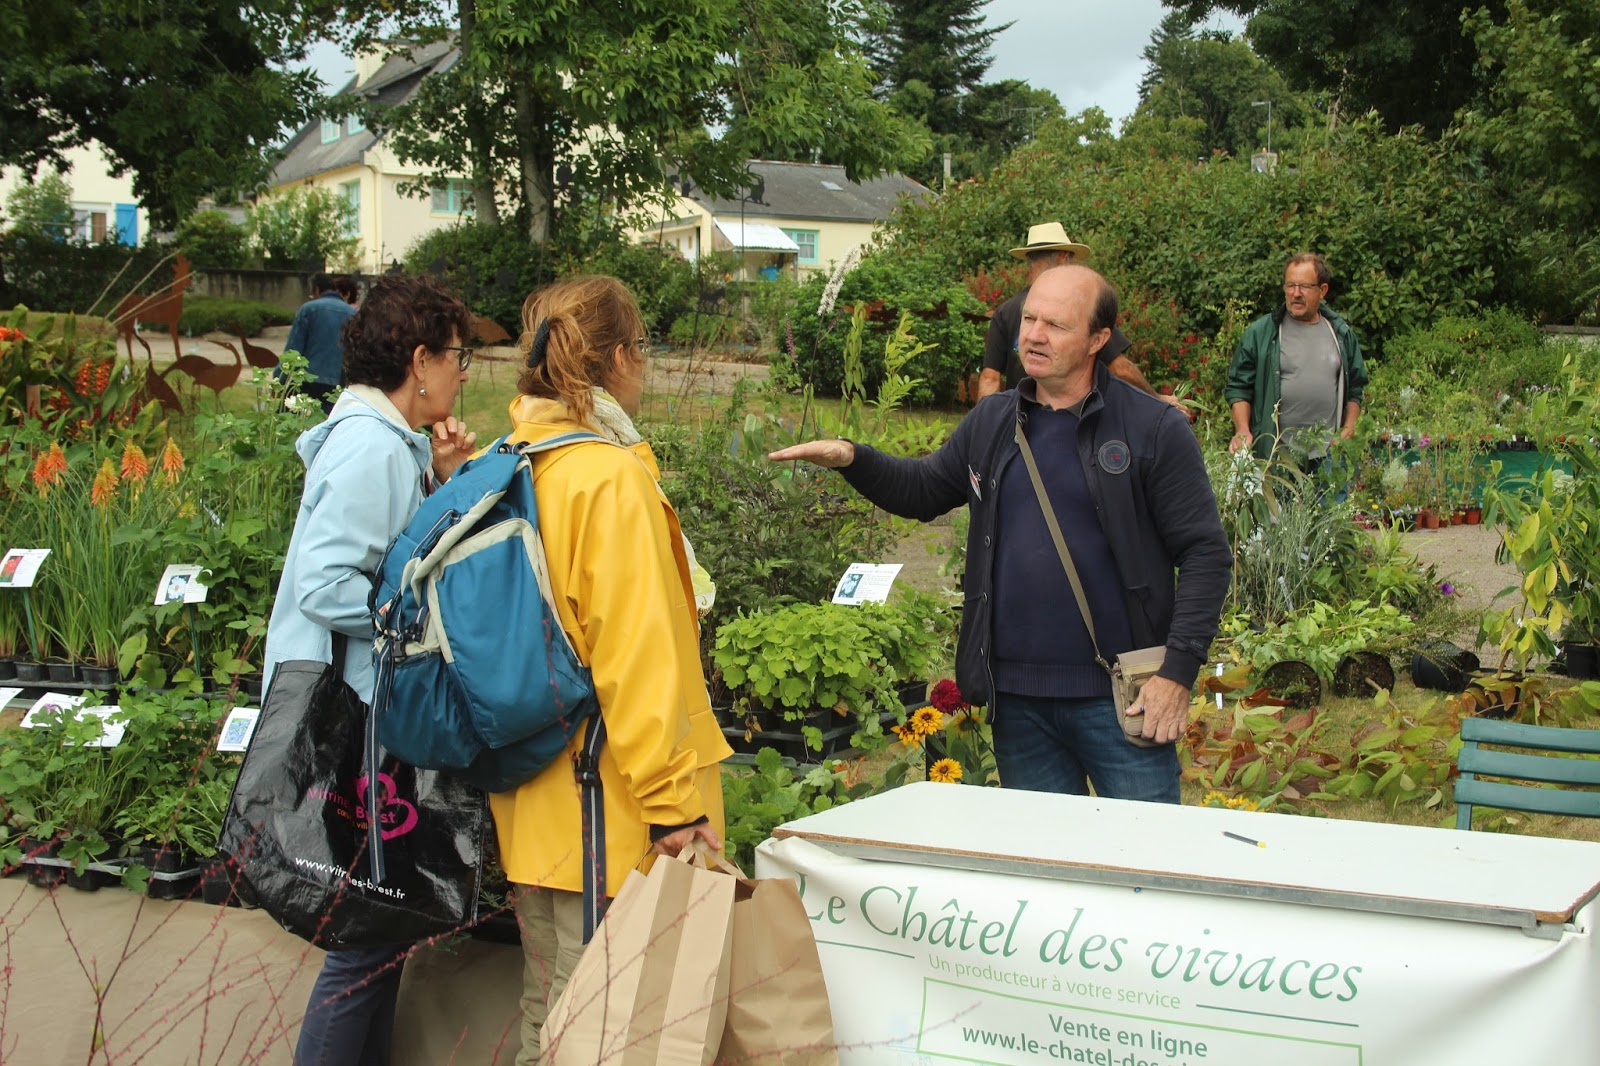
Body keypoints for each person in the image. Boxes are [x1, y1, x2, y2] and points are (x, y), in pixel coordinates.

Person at [771, 264, 1230, 803]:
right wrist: (854, 458)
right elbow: (923, 490)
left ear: (1098, 340)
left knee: (1142, 853)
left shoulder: (1152, 428)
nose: (1034, 335)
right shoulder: (993, 420)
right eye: (1029, 319)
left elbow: (1205, 554)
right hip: (1018, 702)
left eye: (1056, 325)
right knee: (1040, 854)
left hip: (1122, 697)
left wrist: (1176, 673)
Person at [489, 275, 732, 1063]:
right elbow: (636, 657)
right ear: (622, 356)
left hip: (530, 793)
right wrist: (673, 807)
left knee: (550, 1006)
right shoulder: (608, 478)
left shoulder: (509, 458)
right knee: (604, 1024)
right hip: (609, 808)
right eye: (644, 347)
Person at [263, 273, 478, 1066]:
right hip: (358, 719)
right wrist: (418, 622)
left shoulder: (385, 440)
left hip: (363, 710)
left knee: (377, 934)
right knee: (366, 938)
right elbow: (326, 582)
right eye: (456, 357)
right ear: (419, 361)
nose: (462, 375)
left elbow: (387, 550)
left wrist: (440, 480)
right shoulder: (371, 445)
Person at [976, 222, 1179, 412]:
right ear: (1063, 257)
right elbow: (1120, 368)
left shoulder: (1005, 311)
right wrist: (1157, 399)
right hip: (1074, 418)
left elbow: (989, 378)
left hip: (1022, 421)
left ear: (1030, 259)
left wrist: (986, 423)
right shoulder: (1078, 308)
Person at [1226, 251, 1368, 465]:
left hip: (1329, 457)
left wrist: (1348, 428)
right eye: (1290, 285)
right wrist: (1242, 429)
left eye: (1305, 286)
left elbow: (1355, 388)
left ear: (1323, 290)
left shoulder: (1340, 334)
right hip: (1276, 458)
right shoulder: (1260, 334)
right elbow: (1239, 387)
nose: (1296, 293)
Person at [283, 273, 360, 413]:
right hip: (339, 384)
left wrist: (280, 381)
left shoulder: (308, 310)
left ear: (317, 290)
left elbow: (293, 351)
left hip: (308, 381)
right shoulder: (353, 314)